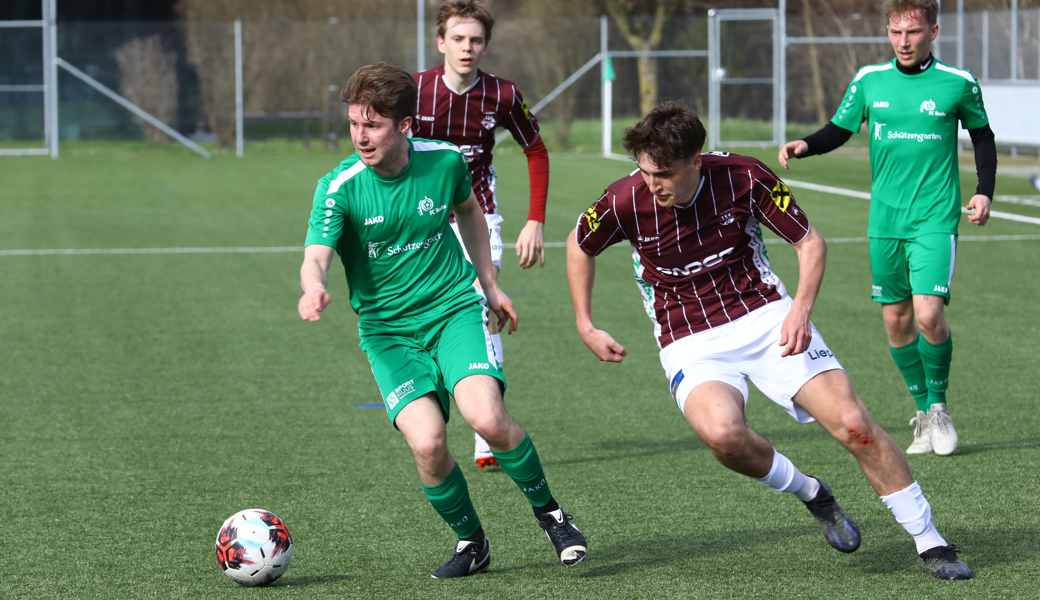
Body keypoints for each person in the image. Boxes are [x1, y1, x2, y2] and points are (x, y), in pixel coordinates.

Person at [567, 101, 970, 580]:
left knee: (854, 424)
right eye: (645, 171)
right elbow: (579, 242)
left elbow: (810, 243)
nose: (652, 184)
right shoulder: (623, 198)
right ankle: (810, 492)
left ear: (696, 161)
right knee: (723, 436)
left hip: (763, 315)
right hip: (687, 334)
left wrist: (799, 310)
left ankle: (931, 542)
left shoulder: (745, 176)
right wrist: (585, 323)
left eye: (665, 174)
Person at [299, 62, 585, 578]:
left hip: (452, 308)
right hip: (388, 333)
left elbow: (471, 212)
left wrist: (490, 286)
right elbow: (316, 254)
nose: (360, 136)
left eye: (373, 124)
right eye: (354, 123)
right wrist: (314, 286)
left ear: (405, 125)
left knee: (487, 418)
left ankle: (553, 517)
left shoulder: (445, 162)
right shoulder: (338, 186)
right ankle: (472, 542)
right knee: (428, 442)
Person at [778, 0, 996, 456]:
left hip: (935, 218)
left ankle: (939, 407)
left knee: (928, 314)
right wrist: (805, 144)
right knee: (896, 321)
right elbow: (840, 129)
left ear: (932, 31)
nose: (904, 41)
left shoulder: (957, 83)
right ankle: (922, 415)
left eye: (913, 32)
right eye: (896, 32)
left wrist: (984, 190)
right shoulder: (869, 80)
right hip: (885, 223)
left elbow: (982, 136)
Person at [413, 0, 550, 469]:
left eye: (475, 40)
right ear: (440, 42)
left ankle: (486, 432)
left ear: (485, 45)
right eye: (458, 38)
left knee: (481, 306)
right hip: (423, 217)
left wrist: (535, 220)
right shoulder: (415, 91)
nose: (466, 47)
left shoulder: (503, 94)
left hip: (480, 215)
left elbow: (536, 149)